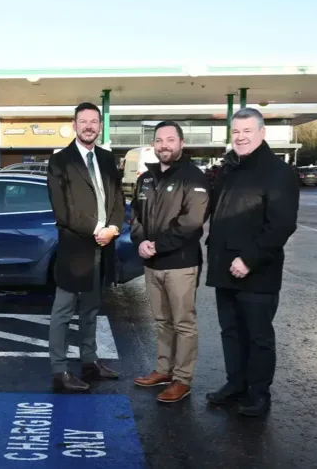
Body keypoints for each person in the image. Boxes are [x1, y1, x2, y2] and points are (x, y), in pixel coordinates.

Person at [205, 107, 300, 416]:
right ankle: (236, 384)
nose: (241, 137)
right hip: (224, 269)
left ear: (262, 133)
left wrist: (249, 260)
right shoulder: (231, 168)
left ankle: (259, 394)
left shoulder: (278, 171)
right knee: (230, 331)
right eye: (236, 132)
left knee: (258, 336)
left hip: (257, 272)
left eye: (247, 131)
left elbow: (281, 224)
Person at [45, 102, 125, 392]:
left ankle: (89, 363)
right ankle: (59, 372)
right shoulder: (60, 161)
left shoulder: (106, 158)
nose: (89, 126)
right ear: (74, 125)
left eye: (94, 121)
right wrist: (97, 229)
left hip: (104, 247)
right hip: (75, 249)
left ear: (100, 126)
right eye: (83, 121)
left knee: (91, 309)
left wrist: (114, 228)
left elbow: (118, 199)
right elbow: (63, 211)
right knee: (63, 312)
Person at [130, 121, 211, 403]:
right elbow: (136, 215)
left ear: (181, 143)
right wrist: (140, 240)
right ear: (154, 144)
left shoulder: (194, 177)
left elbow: (191, 223)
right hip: (152, 265)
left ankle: (182, 379)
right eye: (159, 140)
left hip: (180, 264)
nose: (164, 145)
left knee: (183, 323)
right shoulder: (146, 178)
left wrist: (157, 246)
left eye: (170, 140)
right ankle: (164, 370)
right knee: (162, 321)